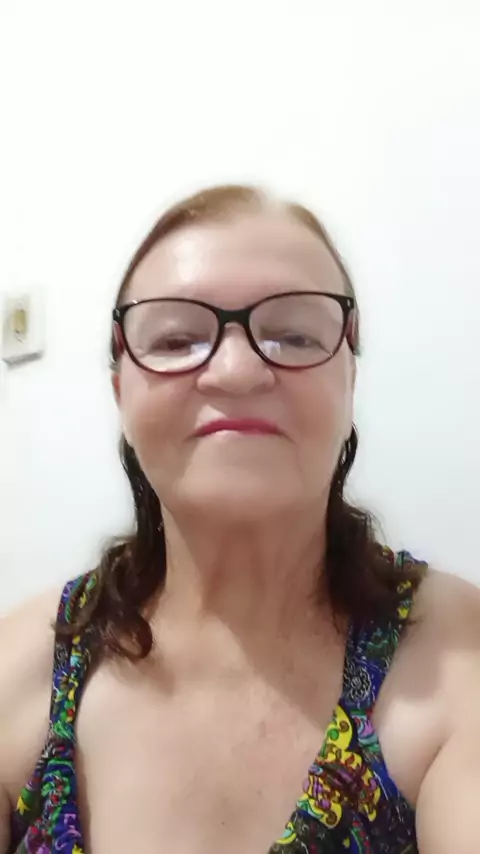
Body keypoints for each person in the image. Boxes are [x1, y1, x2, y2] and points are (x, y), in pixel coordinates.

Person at [1, 184, 480, 854]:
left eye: (294, 335)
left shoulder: (456, 655)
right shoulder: (20, 663)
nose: (235, 370)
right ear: (120, 392)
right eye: (175, 339)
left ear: (349, 379)